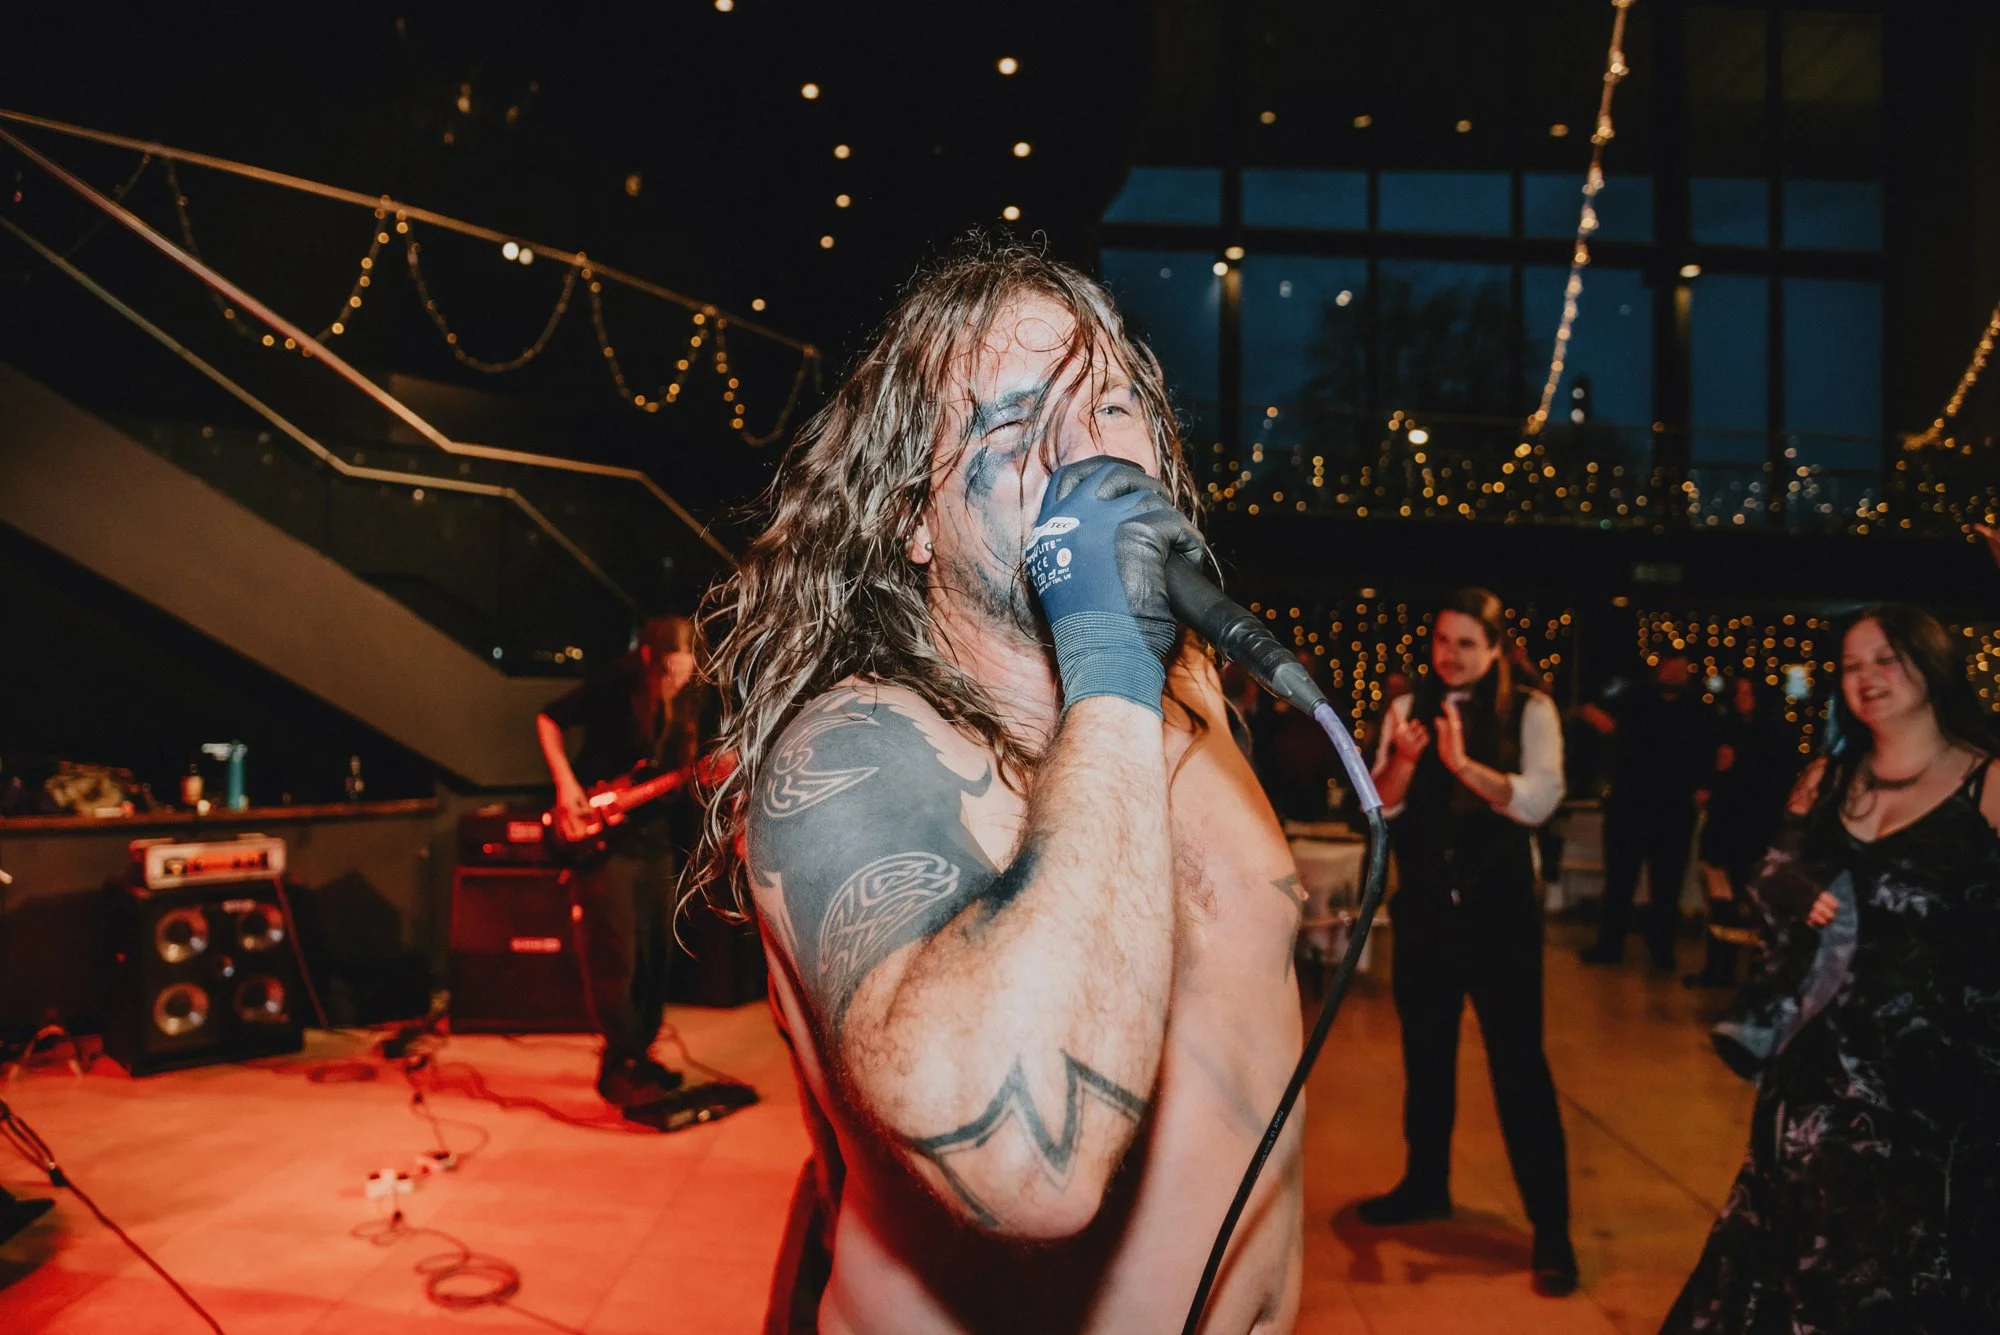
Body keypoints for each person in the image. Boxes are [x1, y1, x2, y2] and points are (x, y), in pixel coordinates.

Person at [694, 247, 1309, 1333]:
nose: (1085, 459)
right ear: (912, 521)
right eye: (1014, 428)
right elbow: (1028, 1165)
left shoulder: (1190, 693)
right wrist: (1108, 665)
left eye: (1112, 406)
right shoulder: (848, 753)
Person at [1663, 605, 2000, 1332]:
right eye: (1851, 665)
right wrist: (1793, 890)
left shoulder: (1989, 784)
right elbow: (1768, 879)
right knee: (1797, 1273)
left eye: (1885, 659)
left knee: (1893, 1285)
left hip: (1930, 1098)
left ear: (1933, 661)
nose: (1866, 677)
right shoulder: (1825, 778)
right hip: (1816, 1080)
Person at [1357, 588, 1578, 1297]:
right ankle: (1426, 1184)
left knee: (1519, 1068)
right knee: (1427, 1056)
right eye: (1441, 641)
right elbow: (1380, 801)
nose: (1449, 656)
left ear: (1495, 648)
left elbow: (1540, 798)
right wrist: (1409, 764)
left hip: (1501, 914)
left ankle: (1552, 1228)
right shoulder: (1403, 709)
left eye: (1465, 644)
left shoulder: (1532, 710)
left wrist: (1463, 766)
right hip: (1424, 911)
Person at [536, 614, 704, 1120]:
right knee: (616, 955)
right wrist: (566, 786)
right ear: (651, 660)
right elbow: (549, 719)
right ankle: (617, 1062)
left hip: (652, 840)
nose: (678, 680)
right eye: (670, 670)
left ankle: (640, 1054)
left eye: (686, 671)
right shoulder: (617, 683)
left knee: (656, 951)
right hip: (603, 844)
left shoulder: (690, 702)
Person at [1579, 653, 1717, 970]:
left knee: (1667, 883)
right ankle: (1610, 944)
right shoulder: (1632, 699)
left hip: (1673, 807)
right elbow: (1593, 712)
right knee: (1619, 880)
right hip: (1631, 803)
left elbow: (1708, 749)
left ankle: (1661, 948)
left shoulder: (1696, 708)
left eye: (1681, 669)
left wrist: (1704, 785)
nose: (1675, 674)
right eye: (1670, 667)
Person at [1684, 676, 1796, 989]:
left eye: (1749, 692)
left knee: (1757, 904)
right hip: (1725, 828)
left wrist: (1736, 765)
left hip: (1757, 832)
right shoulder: (1727, 728)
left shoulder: (1775, 734)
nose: (1741, 698)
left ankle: (1758, 974)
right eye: (1740, 692)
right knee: (1721, 900)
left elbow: (1774, 785)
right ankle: (1718, 967)